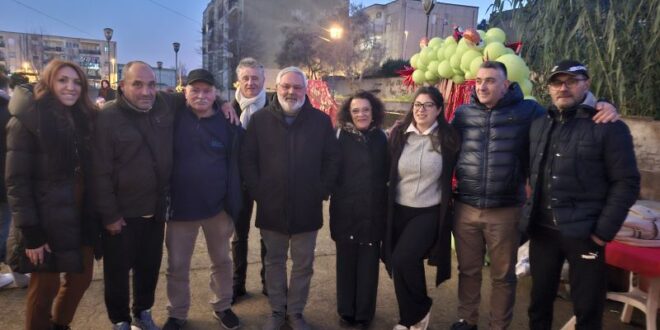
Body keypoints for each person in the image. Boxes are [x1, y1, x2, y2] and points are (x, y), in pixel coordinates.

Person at [449, 61, 619, 330]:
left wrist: (605, 104)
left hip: (505, 209)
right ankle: (466, 320)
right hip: (466, 206)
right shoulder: (462, 114)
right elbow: (440, 138)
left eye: (491, 80)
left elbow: (565, 113)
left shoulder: (529, 112)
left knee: (503, 275)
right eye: (479, 80)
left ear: (506, 85)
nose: (483, 86)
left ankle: (498, 326)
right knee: (467, 271)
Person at [521, 60, 640, 329]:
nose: (563, 88)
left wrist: (602, 232)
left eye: (571, 81)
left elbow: (627, 182)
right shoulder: (539, 124)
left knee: (587, 309)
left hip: (586, 235)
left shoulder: (608, 126)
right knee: (538, 304)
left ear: (586, 83)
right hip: (542, 232)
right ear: (549, 88)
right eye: (556, 82)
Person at [241, 66, 340, 330]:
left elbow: (332, 159)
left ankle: (295, 312)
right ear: (277, 87)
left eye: (297, 87)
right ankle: (276, 311)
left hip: (307, 207)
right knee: (273, 262)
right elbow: (248, 160)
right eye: (286, 86)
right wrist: (258, 190)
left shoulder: (319, 121)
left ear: (305, 90)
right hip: (271, 206)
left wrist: (322, 189)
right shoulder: (260, 120)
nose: (291, 92)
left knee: (303, 264)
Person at [93, 60, 185, 330]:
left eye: (151, 85)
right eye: (138, 84)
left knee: (149, 268)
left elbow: (195, 93)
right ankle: (120, 320)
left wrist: (222, 103)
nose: (146, 91)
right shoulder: (107, 117)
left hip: (155, 212)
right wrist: (109, 215)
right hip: (121, 215)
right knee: (117, 273)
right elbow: (99, 171)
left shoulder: (163, 106)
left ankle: (142, 312)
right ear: (122, 86)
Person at [5, 59, 97, 330]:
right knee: (44, 288)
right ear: (48, 82)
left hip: (81, 214)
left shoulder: (84, 117)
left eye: (76, 82)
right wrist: (32, 234)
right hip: (46, 219)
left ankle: (60, 325)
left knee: (82, 279)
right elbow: (16, 182)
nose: (71, 87)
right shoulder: (28, 121)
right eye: (62, 80)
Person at [163, 69, 243, 330]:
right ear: (184, 91)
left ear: (215, 93)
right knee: (177, 265)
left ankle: (223, 305)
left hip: (217, 208)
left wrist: (224, 105)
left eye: (207, 91)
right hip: (180, 208)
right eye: (194, 90)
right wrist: (223, 101)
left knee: (221, 261)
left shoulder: (228, 123)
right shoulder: (173, 115)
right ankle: (177, 313)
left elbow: (239, 160)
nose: (200, 95)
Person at [383, 86, 460, 330]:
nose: (421, 109)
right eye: (417, 104)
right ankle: (410, 319)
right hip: (399, 210)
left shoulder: (448, 139)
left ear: (438, 110)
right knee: (401, 263)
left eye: (428, 105)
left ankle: (420, 308)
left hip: (429, 211)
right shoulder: (399, 135)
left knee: (403, 258)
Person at [330, 91, 388, 328]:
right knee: (345, 263)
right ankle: (346, 311)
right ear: (349, 113)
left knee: (368, 266)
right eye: (356, 110)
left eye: (365, 110)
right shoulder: (339, 136)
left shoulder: (382, 138)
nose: (361, 114)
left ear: (373, 112)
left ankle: (364, 313)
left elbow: (388, 173)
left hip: (373, 212)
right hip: (345, 211)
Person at [230, 57, 270, 301]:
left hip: (266, 183)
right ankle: (237, 283)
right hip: (237, 183)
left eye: (255, 78)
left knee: (268, 234)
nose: (251, 82)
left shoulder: (273, 108)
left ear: (264, 80)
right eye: (246, 77)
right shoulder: (228, 109)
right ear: (238, 81)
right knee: (238, 236)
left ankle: (268, 282)